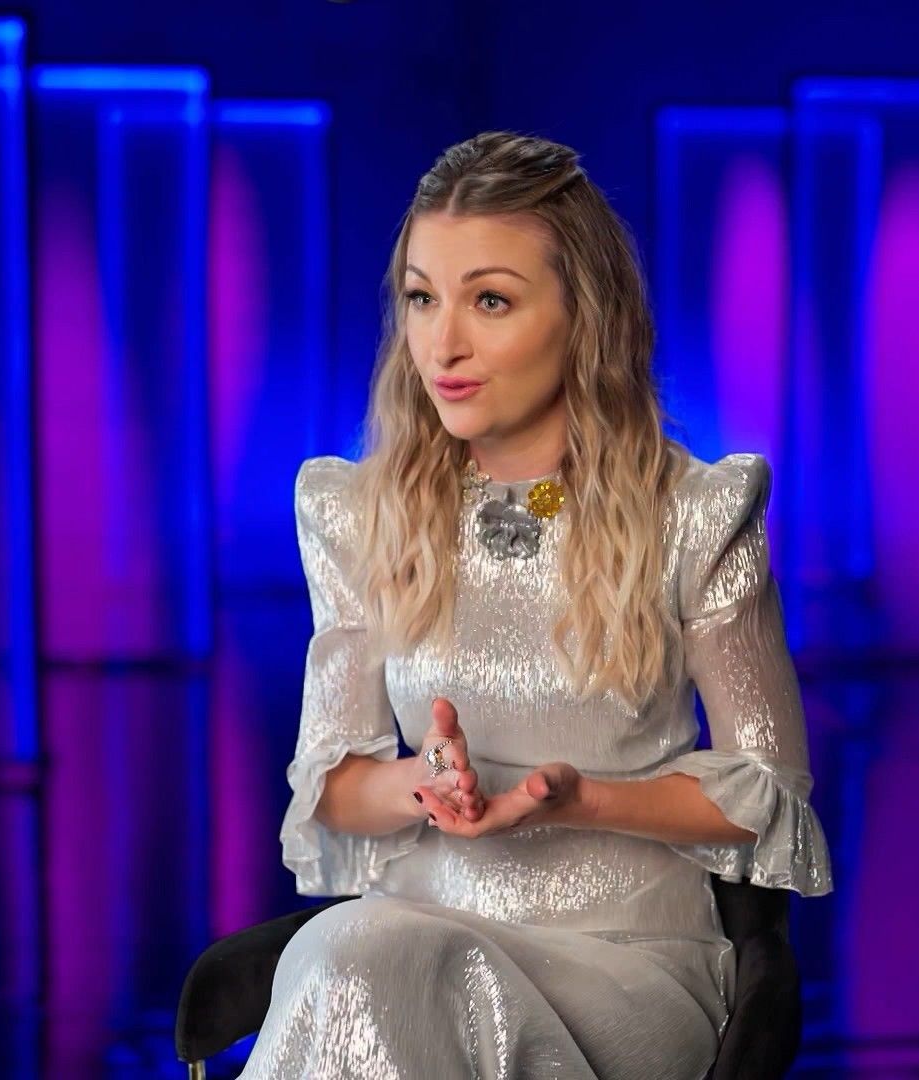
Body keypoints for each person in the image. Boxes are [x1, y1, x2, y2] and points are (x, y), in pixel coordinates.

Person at [240, 130, 832, 1080]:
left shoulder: (696, 514)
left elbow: (767, 789)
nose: (443, 344)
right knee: (355, 956)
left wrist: (580, 799)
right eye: (422, 298)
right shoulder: (359, 514)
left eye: (490, 300)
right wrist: (426, 785)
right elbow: (335, 785)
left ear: (584, 317)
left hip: (624, 960)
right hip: (413, 937)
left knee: (358, 965)